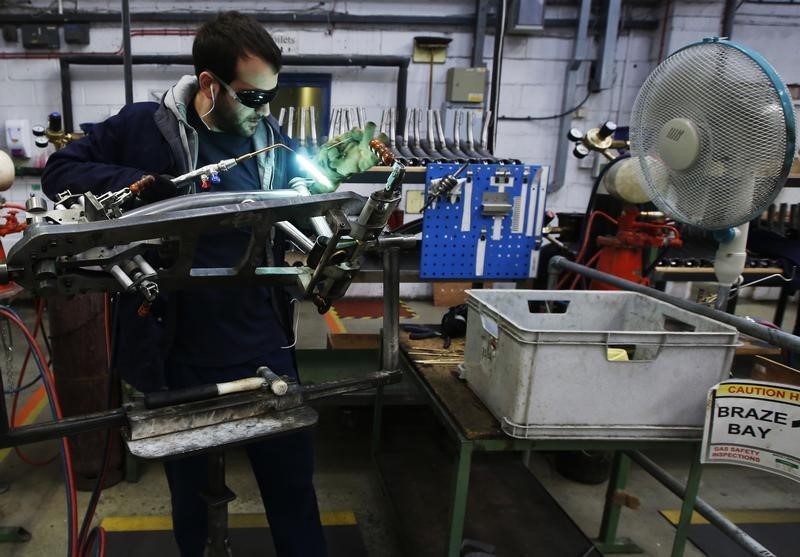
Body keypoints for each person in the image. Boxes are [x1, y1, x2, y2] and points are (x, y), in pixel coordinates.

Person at [42, 11, 385, 557]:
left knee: (293, 489)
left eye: (271, 97)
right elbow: (60, 170)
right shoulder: (141, 128)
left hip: (263, 343)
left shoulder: (269, 137)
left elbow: (295, 203)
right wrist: (133, 186)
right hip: (177, 349)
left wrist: (329, 186)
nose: (264, 111)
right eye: (251, 97)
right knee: (193, 499)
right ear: (209, 84)